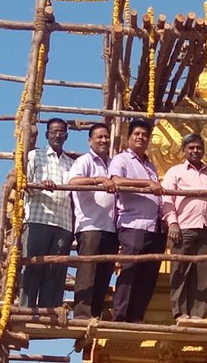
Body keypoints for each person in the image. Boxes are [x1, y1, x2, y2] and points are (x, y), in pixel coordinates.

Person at [163, 134, 207, 320]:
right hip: (183, 229)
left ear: (204, 151)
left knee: (203, 274)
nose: (195, 151)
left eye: (198, 148)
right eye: (191, 148)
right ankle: (180, 313)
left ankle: (199, 314)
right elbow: (167, 199)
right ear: (184, 151)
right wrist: (172, 223)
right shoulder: (175, 172)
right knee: (180, 271)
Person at [109, 119, 165, 323]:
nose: (141, 137)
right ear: (129, 137)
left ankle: (136, 317)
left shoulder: (150, 165)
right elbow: (116, 182)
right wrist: (146, 184)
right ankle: (120, 316)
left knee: (148, 276)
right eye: (137, 134)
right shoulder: (122, 159)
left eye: (145, 135)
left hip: (155, 227)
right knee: (130, 271)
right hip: (134, 225)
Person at [20, 118, 75, 308]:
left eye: (61, 132)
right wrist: (41, 185)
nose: (57, 135)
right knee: (33, 264)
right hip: (38, 219)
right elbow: (24, 185)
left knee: (56, 268)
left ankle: (49, 310)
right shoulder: (35, 156)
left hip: (64, 222)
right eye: (53, 132)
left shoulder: (71, 164)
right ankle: (26, 308)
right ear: (47, 135)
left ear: (66, 136)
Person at [68, 123, 118, 319]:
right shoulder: (85, 161)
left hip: (111, 228)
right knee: (87, 273)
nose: (104, 140)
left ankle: (95, 315)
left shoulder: (113, 164)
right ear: (90, 141)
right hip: (90, 226)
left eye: (106, 137)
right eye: (99, 137)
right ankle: (82, 315)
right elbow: (73, 182)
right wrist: (98, 180)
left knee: (104, 274)